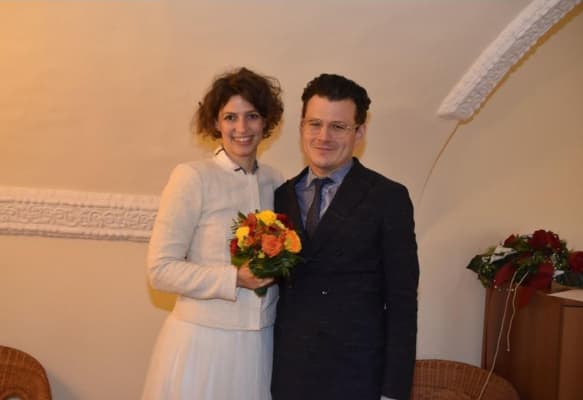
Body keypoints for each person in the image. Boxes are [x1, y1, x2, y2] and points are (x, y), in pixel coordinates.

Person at [271, 73, 419, 400]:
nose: (323, 136)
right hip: (290, 375)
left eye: (338, 126)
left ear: (359, 132)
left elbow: (403, 300)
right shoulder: (280, 197)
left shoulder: (388, 197)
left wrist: (394, 391)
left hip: (358, 378)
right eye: (315, 124)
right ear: (301, 127)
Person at [141, 67, 284, 400]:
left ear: (266, 121)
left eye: (252, 116)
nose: (241, 128)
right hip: (205, 345)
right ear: (216, 123)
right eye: (230, 117)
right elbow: (160, 270)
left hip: (261, 345)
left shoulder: (276, 181)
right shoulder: (193, 177)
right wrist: (234, 278)